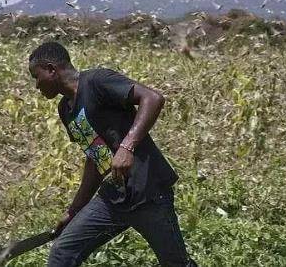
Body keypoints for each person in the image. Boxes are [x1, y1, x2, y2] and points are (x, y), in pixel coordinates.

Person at [28, 41, 197, 267]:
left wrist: (127, 146)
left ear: (51, 69)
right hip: (114, 198)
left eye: (36, 77)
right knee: (63, 252)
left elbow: (153, 98)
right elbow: (96, 158)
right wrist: (74, 210)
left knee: (176, 264)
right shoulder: (66, 109)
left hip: (148, 192)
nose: (37, 86)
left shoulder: (97, 81)